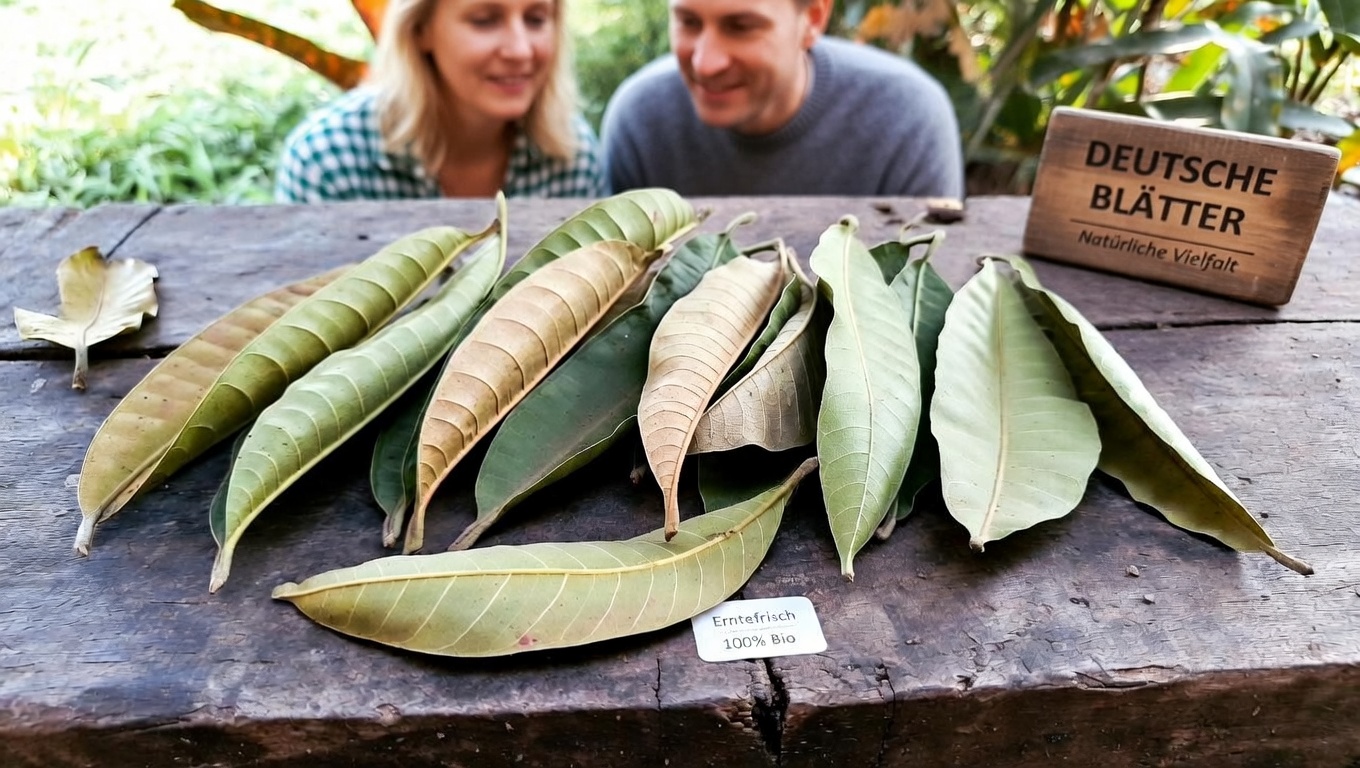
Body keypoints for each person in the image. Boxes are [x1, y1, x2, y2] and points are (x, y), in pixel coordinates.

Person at [601, 0, 964, 198]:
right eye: (688, 22)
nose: (705, 63)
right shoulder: (640, 121)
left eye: (741, 27)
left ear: (812, 20)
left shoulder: (907, 117)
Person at [275, 0, 606, 202]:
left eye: (535, 18)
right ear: (420, 30)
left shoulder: (572, 157)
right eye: (484, 19)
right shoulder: (328, 161)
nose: (520, 50)